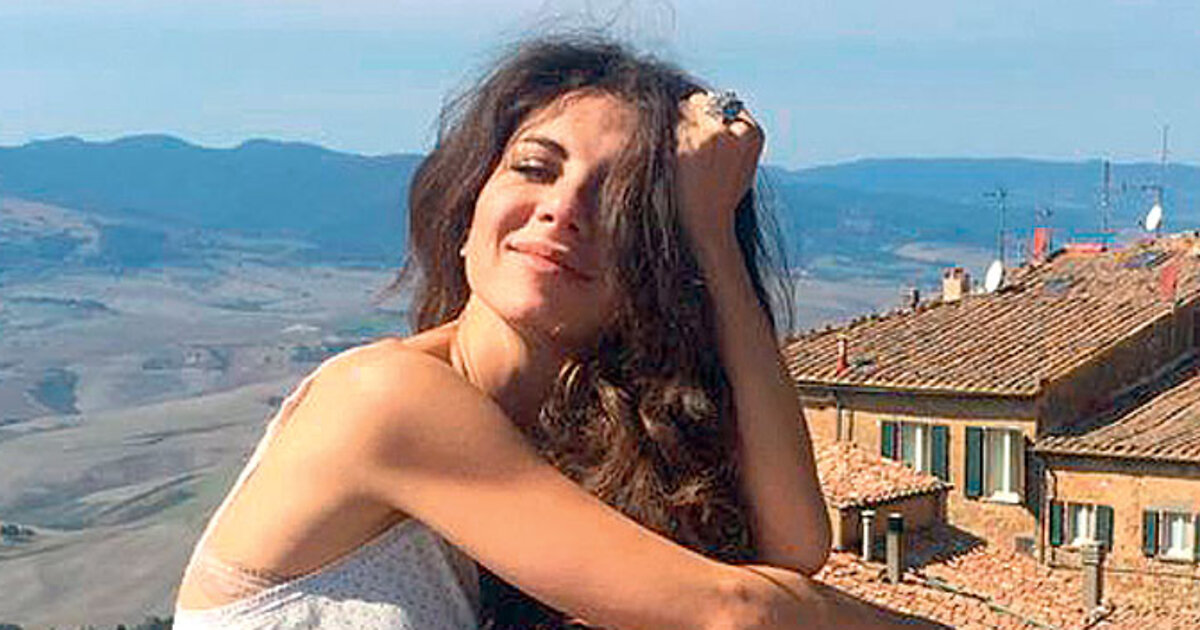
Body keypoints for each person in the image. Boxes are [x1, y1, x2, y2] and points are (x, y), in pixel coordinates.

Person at [174, 35, 945, 630]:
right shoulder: (384, 398)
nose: (563, 209)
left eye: (618, 200)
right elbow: (737, 612)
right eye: (536, 168)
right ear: (467, 215)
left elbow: (794, 546)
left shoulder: (574, 440)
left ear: (662, 269)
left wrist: (711, 237)